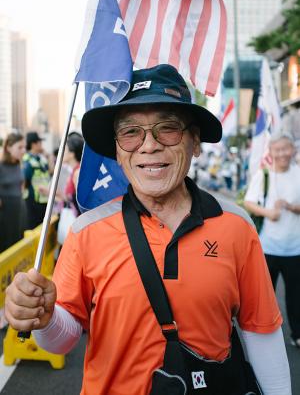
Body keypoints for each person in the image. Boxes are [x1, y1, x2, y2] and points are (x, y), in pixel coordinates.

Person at [5, 65, 291, 395]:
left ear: (195, 141)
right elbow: (62, 340)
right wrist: (44, 315)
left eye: (167, 129)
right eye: (130, 133)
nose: (148, 145)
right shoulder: (86, 231)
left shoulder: (236, 225)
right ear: (117, 150)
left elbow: (261, 333)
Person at [244, 131, 300, 349]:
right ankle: (262, 336)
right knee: (263, 295)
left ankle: (297, 334)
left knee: (295, 296)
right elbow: (249, 202)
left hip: (295, 248)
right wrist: (269, 213)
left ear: (293, 149)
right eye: (277, 149)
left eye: (286, 148)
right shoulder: (264, 175)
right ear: (271, 152)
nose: (282, 153)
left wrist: (293, 207)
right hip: (267, 247)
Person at [0, 131, 26, 252]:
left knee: (16, 244)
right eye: (19, 147)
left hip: (19, 210)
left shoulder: (18, 164)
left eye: (24, 147)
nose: (23, 150)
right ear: (9, 148)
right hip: (5, 212)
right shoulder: (1, 165)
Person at [23, 131, 50, 229]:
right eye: (40, 142)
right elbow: (24, 182)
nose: (42, 145)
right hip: (33, 201)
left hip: (44, 200)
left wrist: (47, 155)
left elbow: (50, 171)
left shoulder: (41, 159)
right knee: (34, 228)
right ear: (33, 144)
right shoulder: (27, 160)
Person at [63, 132, 84, 216]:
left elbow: (80, 202)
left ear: (72, 154)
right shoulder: (74, 171)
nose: (61, 153)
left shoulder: (77, 172)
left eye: (65, 150)